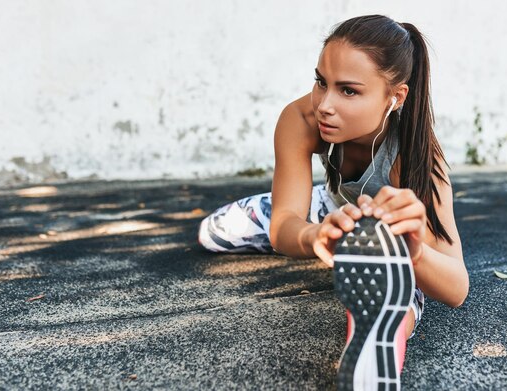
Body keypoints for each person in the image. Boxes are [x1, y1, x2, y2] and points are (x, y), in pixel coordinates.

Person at [199, 15, 469, 390]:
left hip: (394, 232)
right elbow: (284, 225)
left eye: (349, 91)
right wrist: (314, 236)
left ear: (396, 96)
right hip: (328, 212)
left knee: (398, 280)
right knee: (213, 233)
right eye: (321, 82)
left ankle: (382, 344)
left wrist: (414, 253)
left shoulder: (418, 159)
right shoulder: (301, 118)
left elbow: (457, 287)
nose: (325, 103)